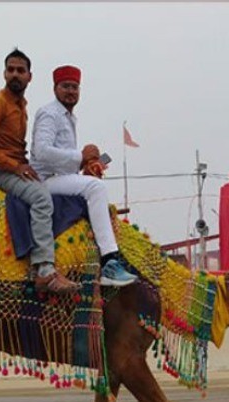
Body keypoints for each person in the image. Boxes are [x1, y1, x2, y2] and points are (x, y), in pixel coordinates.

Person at [0, 48, 75, 294]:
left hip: (18, 168)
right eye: (11, 70)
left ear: (30, 76)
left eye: (21, 70)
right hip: (3, 170)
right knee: (41, 197)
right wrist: (15, 167)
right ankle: (45, 269)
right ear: (4, 74)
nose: (15, 74)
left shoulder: (22, 106)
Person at [30, 65, 137, 287]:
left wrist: (87, 165)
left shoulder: (68, 117)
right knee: (96, 189)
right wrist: (79, 156)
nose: (71, 91)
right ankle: (110, 260)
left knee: (92, 185)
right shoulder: (49, 114)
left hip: (58, 177)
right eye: (66, 86)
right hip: (44, 181)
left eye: (75, 87)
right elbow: (41, 151)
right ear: (55, 88)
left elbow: (63, 159)